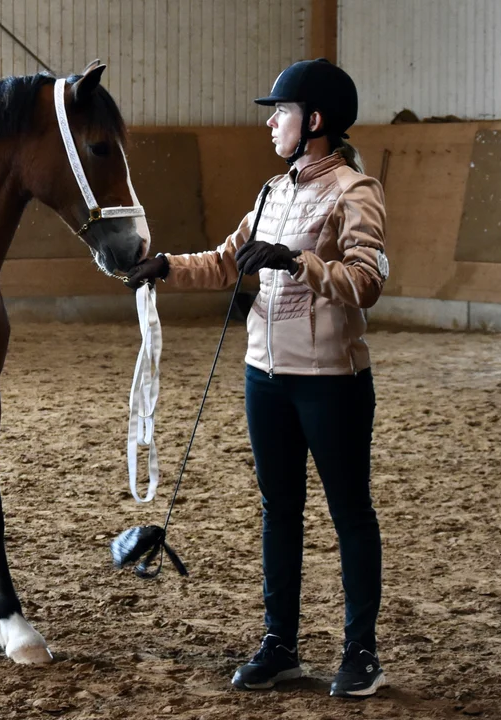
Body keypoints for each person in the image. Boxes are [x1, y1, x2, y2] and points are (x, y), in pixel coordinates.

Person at [126, 58, 389, 698]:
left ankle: (361, 652)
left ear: (315, 121)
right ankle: (281, 643)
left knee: (350, 511)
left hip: (330, 380)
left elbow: (367, 282)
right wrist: (163, 266)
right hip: (265, 378)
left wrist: (297, 262)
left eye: (282, 111)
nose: (271, 121)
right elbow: (224, 261)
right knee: (280, 510)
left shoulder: (357, 192)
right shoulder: (272, 193)